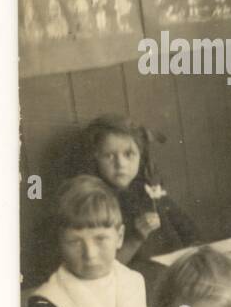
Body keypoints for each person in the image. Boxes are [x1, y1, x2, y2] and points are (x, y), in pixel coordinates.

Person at [22, 176, 151, 307]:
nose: (90, 254)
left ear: (119, 237)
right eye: (74, 241)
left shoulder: (134, 283)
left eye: (100, 239)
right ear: (60, 243)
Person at [81, 114, 198, 274]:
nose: (120, 164)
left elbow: (190, 232)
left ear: (140, 157)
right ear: (95, 159)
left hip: (173, 272)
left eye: (129, 154)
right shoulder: (96, 201)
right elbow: (103, 268)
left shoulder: (149, 190)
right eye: (109, 156)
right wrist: (136, 238)